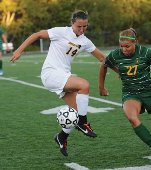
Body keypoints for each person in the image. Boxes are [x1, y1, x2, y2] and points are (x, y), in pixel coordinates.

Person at [10, 10, 105, 156]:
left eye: (85, 26)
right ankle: (83, 123)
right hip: (51, 73)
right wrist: (19, 50)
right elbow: (37, 35)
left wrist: (120, 72)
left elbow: (102, 58)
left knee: (75, 112)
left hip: (63, 75)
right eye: (79, 26)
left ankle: (61, 137)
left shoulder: (85, 41)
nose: (82, 29)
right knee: (84, 85)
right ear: (72, 23)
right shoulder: (61, 32)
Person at [99, 28, 151, 162]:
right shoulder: (115, 55)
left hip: (150, 92)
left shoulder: (145, 52)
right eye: (121, 46)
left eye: (127, 46)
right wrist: (101, 87)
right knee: (132, 118)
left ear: (135, 43)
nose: (124, 49)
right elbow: (103, 66)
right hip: (130, 94)